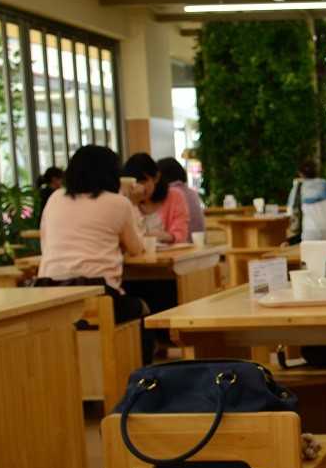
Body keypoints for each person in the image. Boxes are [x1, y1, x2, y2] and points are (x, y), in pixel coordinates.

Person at [33, 145, 153, 362]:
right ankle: (142, 377)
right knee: (140, 308)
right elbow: (136, 249)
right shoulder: (118, 203)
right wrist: (133, 203)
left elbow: (46, 239)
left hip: (48, 294)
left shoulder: (55, 198)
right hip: (97, 295)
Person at [122, 153, 189, 245]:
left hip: (170, 253)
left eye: (143, 181)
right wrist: (133, 203)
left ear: (156, 177)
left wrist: (165, 236)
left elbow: (181, 235)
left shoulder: (174, 196)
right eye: (134, 183)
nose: (139, 187)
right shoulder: (125, 201)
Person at [287, 158, 326, 242]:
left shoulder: (299, 187)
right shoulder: (325, 185)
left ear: (300, 173)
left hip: (311, 231)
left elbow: (290, 211)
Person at [157, 157, 204, 241]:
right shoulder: (192, 193)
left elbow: (162, 228)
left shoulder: (171, 194)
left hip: (181, 244)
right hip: (199, 243)